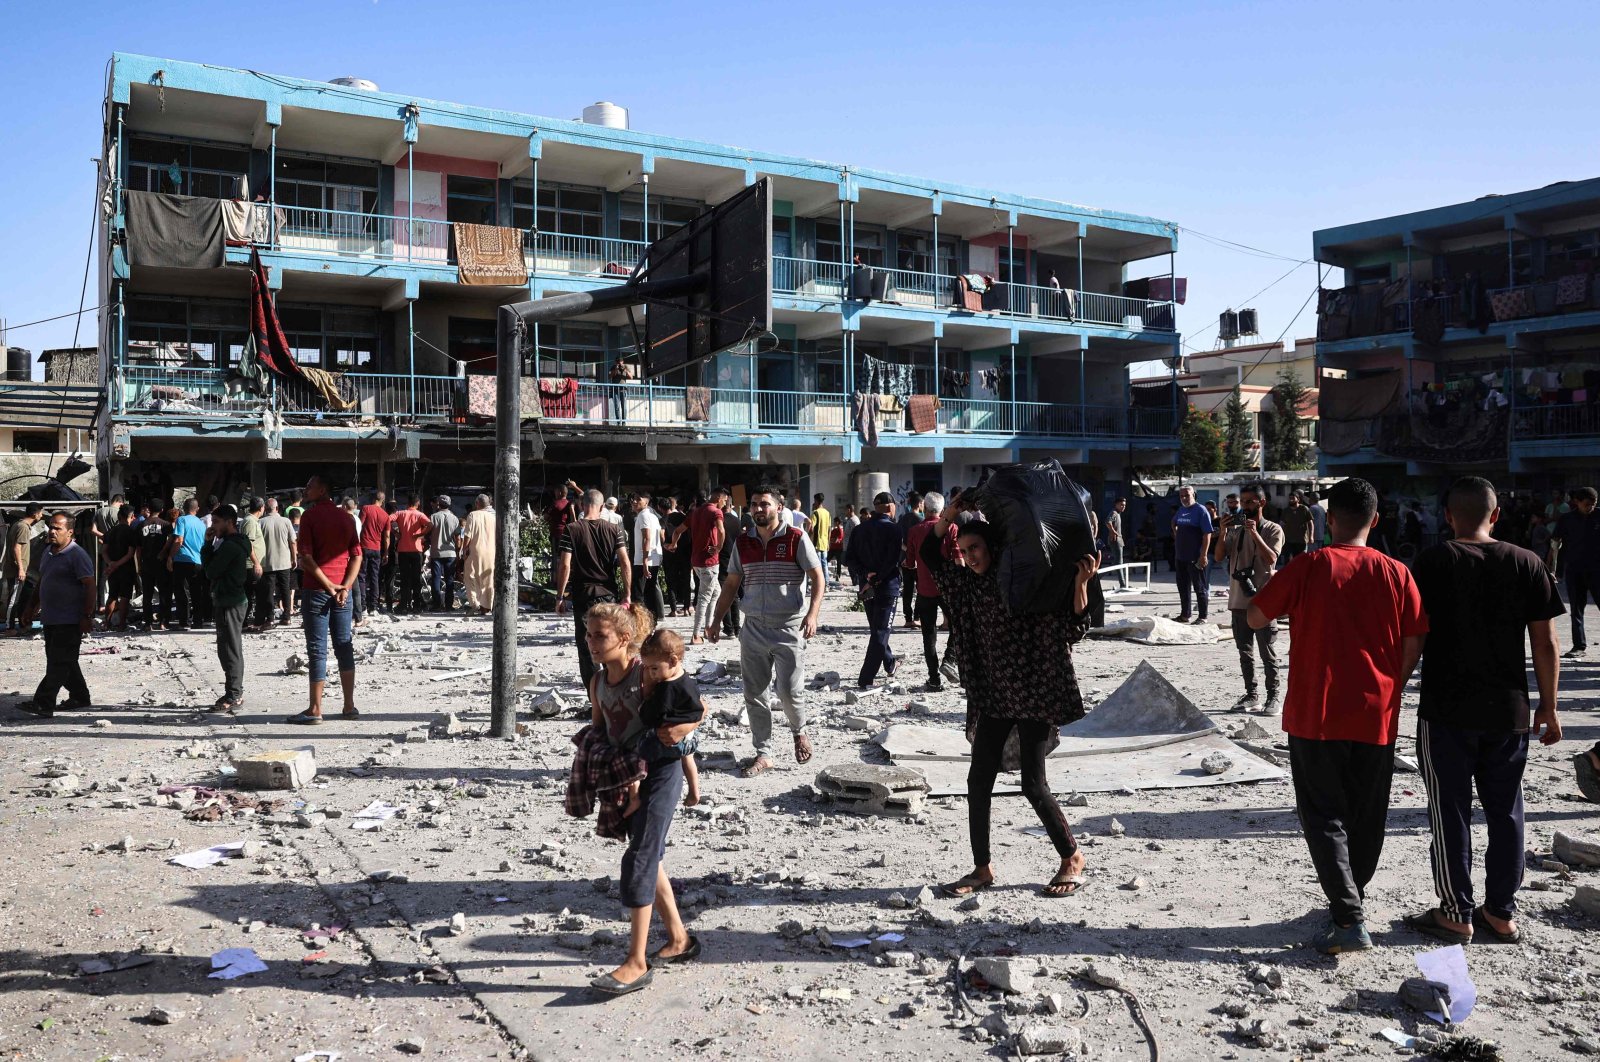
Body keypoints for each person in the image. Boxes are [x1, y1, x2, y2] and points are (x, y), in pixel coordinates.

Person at [1247, 477, 1428, 954]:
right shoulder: (1397, 572)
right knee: (1367, 814)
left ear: (1330, 519)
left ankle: (1348, 917)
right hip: (1377, 712)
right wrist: (1395, 681)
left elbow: (1255, 618)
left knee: (1323, 813)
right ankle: (1352, 897)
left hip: (1316, 712)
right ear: (1376, 519)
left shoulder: (1309, 566)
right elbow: (1415, 639)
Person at [1403, 476, 1564, 947]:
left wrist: (1392, 691)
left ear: (1449, 517)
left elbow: (1415, 637)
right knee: (1507, 812)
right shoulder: (1527, 562)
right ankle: (1501, 913)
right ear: (1495, 515)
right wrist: (1549, 708)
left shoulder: (1432, 562)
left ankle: (1456, 913)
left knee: (1449, 812)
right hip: (1509, 712)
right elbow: (1546, 642)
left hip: (1446, 710)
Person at [922, 497, 1099, 900]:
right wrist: (951, 510)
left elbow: (1073, 626)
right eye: (964, 552)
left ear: (992, 547)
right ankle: (982, 868)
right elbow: (929, 550)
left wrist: (1081, 583)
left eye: (975, 549)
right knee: (977, 781)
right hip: (994, 695)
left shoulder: (1021, 579)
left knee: (1032, 784)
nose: (968, 558)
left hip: (1035, 689)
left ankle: (1072, 857)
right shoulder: (965, 585)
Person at [577, 603, 701, 995]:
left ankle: (636, 961)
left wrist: (686, 729)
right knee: (649, 854)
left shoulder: (644, 673)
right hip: (625, 778)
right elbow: (602, 732)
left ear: (624, 639)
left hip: (660, 774)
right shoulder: (598, 683)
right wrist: (596, 772)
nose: (592, 643)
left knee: (640, 857)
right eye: (589, 635)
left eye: (601, 636)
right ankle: (679, 939)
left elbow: (691, 704)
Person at [707, 484, 824, 777]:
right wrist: (717, 619)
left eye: (765, 504)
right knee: (754, 693)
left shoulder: (796, 538)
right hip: (754, 629)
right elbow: (732, 584)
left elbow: (817, 576)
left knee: (788, 691)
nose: (759, 509)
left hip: (788, 628)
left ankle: (799, 730)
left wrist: (812, 614)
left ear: (779, 507)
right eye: (755, 504)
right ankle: (764, 753)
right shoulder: (743, 542)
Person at [285, 476, 362, 725]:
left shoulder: (309, 517)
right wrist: (345, 586)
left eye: (310, 486)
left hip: (317, 590)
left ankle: (315, 709)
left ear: (323, 489)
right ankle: (349, 705)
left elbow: (305, 557)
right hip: (342, 592)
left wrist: (328, 585)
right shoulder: (347, 518)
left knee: (318, 649)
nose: (306, 490)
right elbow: (356, 556)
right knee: (344, 645)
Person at [15, 513, 96, 717]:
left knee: (59, 661)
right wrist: (30, 607)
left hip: (70, 619)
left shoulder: (77, 555)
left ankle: (43, 702)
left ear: (70, 532)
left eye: (57, 528)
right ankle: (79, 696)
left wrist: (86, 616)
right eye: (51, 527)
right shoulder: (48, 553)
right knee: (63, 659)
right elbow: (43, 581)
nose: (52, 531)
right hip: (51, 618)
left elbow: (90, 586)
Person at [1215, 484, 1284, 715]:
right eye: (1242, 502)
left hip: (1263, 602)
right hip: (1238, 600)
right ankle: (1251, 695)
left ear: (1261, 503)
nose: (1244, 506)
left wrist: (1255, 533)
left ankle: (1273, 697)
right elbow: (1218, 556)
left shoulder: (1273, 529)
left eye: (1249, 502)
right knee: (1245, 652)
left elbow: (1272, 558)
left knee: (1267, 652)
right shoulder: (1236, 529)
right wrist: (1223, 533)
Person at [554, 490, 632, 687]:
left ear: (581, 505)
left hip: (583, 596)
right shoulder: (615, 530)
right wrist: (627, 595)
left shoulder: (572, 529)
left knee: (587, 647)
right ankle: (614, 693)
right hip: (608, 595)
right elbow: (624, 562)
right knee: (610, 642)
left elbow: (565, 565)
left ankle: (595, 700)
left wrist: (560, 596)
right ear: (602, 506)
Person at [628, 628, 704, 812]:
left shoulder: (665, 689)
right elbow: (698, 708)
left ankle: (634, 794)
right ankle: (694, 791)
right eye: (647, 668)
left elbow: (652, 716)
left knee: (637, 753)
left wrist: (643, 704)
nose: (651, 674)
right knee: (688, 760)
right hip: (690, 737)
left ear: (673, 661)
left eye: (654, 668)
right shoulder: (687, 680)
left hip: (669, 740)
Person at [847, 491, 906, 688]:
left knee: (877, 630)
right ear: (891, 507)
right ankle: (866, 677)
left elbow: (850, 559)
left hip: (866, 586)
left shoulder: (859, 529)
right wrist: (878, 577)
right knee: (881, 631)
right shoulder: (894, 530)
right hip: (886, 586)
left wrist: (866, 575)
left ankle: (890, 664)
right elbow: (892, 560)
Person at [202, 504, 253, 715]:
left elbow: (211, 571)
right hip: (228, 600)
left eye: (216, 522)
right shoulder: (231, 543)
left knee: (230, 650)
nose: (213, 526)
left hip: (230, 601)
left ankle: (234, 694)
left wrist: (206, 546)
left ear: (229, 522)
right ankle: (232, 692)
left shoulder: (230, 546)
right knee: (227, 649)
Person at [905, 492, 957, 690]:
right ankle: (949, 660)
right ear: (942, 510)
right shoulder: (952, 528)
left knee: (929, 635)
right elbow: (958, 558)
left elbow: (910, 562)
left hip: (925, 589)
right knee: (957, 626)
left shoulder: (915, 531)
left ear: (925, 508)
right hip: (947, 589)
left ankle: (934, 678)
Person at [1550, 487, 1598, 660]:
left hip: (1597, 571)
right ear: (1577, 502)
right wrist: (1553, 569)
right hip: (1574, 571)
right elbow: (1555, 544)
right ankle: (1579, 646)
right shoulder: (1566, 519)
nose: (1590, 507)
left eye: (1594, 504)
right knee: (1576, 610)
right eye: (1587, 504)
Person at [687, 489, 726, 646]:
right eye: (724, 500)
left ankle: (707, 627)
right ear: (718, 498)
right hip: (709, 561)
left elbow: (679, 530)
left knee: (716, 592)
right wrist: (718, 548)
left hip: (696, 560)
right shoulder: (716, 512)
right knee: (704, 597)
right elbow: (721, 531)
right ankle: (696, 634)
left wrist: (674, 542)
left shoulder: (696, 511)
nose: (725, 504)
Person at [1171, 485, 1213, 624]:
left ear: (1193, 495)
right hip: (1180, 556)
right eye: (1181, 496)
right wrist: (1177, 534)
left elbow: (1207, 534)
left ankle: (1203, 617)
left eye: (1187, 495)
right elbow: (1174, 522)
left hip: (1195, 556)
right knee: (1183, 587)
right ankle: (1185, 615)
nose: (1184, 498)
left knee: (1199, 587)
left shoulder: (1201, 511)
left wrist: (1204, 555)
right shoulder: (1181, 509)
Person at [254, 498, 296, 630]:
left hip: (268, 562)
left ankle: (270, 618)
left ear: (265, 509)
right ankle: (287, 617)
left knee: (269, 591)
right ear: (277, 509)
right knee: (285, 590)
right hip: (284, 561)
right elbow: (292, 541)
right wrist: (294, 558)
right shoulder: (286, 521)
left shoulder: (260, 522)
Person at [169, 498, 210, 629]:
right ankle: (198, 621)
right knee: (197, 592)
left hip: (182, 560)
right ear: (197, 509)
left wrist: (170, 557)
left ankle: (184, 622)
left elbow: (178, 540)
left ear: (183, 508)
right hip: (198, 561)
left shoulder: (181, 520)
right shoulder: (201, 524)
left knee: (182, 593)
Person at [3, 503, 43, 633]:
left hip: (17, 569)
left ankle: (21, 624)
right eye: (41, 513)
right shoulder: (23, 527)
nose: (41, 516)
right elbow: (17, 548)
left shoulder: (19, 525)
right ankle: (9, 627)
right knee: (13, 599)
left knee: (20, 597)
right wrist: (20, 569)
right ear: (35, 514)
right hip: (16, 570)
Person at [390, 495, 430, 614]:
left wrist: (395, 533)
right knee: (416, 579)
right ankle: (416, 605)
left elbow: (387, 520)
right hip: (416, 550)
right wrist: (419, 535)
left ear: (408, 503)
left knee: (404, 579)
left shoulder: (400, 513)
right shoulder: (420, 515)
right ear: (417, 504)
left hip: (403, 550)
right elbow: (430, 525)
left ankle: (403, 605)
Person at [136, 501, 172, 631]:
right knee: (164, 592)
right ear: (161, 509)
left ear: (149, 509)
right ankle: (163, 621)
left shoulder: (141, 525)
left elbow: (138, 549)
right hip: (161, 563)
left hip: (147, 563)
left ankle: (147, 623)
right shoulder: (166, 525)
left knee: (147, 594)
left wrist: (138, 565)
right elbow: (171, 542)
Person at [459, 494, 497, 613]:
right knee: (488, 578)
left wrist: (464, 550)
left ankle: (475, 603)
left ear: (477, 504)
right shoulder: (493, 517)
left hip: (475, 551)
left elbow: (468, 535)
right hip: (491, 551)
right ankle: (487, 606)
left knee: (470, 577)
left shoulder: (472, 515)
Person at [630, 492, 664, 622]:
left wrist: (644, 561)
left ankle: (640, 623)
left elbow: (647, 537)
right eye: (634, 499)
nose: (634, 501)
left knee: (638, 594)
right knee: (650, 593)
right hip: (653, 558)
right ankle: (651, 622)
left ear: (646, 502)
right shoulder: (653, 516)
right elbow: (661, 536)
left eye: (638, 499)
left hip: (643, 560)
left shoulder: (644, 515)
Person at [358, 491, 392, 617]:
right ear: (382, 501)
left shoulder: (366, 508)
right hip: (377, 548)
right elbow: (387, 536)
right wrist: (386, 553)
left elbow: (359, 526)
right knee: (374, 578)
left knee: (361, 576)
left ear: (373, 499)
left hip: (364, 546)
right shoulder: (385, 515)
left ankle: (362, 607)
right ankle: (373, 606)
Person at [428, 495, 461, 612]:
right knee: (449, 580)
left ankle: (436, 604)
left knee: (436, 578)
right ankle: (448, 605)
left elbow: (427, 531)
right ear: (449, 504)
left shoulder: (433, 517)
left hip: (436, 552)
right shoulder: (455, 518)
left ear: (438, 504)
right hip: (450, 553)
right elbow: (458, 538)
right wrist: (458, 551)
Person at [662, 495, 692, 618]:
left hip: (670, 553)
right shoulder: (684, 517)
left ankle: (674, 610)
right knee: (686, 581)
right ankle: (686, 608)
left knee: (671, 582)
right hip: (685, 553)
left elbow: (661, 533)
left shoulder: (664, 518)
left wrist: (665, 544)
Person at [238, 498, 267, 627]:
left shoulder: (252, 521)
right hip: (251, 565)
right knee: (257, 594)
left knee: (252, 594)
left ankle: (248, 622)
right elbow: (248, 543)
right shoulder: (250, 521)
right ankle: (254, 622)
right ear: (261, 508)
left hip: (252, 564)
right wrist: (256, 562)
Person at [718, 493, 743, 637]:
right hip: (735, 559)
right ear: (731, 505)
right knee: (734, 594)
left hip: (721, 559)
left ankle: (728, 628)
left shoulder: (719, 521)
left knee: (723, 594)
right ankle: (737, 626)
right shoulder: (737, 521)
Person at [897, 491, 923, 628]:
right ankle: (917, 617)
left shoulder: (902, 518)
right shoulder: (920, 520)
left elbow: (898, 540)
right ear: (919, 504)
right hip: (917, 561)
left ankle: (908, 618)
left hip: (904, 560)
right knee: (920, 589)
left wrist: (906, 552)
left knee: (907, 590)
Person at [1280, 491, 1314, 565]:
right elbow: (1281, 524)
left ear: (1298, 499)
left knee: (1301, 561)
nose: (1291, 500)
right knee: (1288, 561)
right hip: (1288, 540)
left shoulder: (1304, 509)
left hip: (1301, 540)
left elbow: (1310, 523)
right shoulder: (1286, 511)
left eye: (1293, 498)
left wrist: (1311, 536)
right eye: (1290, 498)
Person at [1104, 498, 1128, 590]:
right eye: (1121, 504)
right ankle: (1123, 584)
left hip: (1118, 540)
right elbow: (1107, 522)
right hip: (1116, 540)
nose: (1123, 507)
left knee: (1118, 562)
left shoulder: (1117, 513)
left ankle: (1123, 583)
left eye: (1124, 505)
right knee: (1119, 563)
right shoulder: (1114, 513)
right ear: (1116, 504)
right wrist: (1113, 532)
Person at [839, 504, 861, 586]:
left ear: (849, 510)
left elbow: (857, 534)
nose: (844, 512)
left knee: (852, 566)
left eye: (845, 510)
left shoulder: (854, 520)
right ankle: (855, 582)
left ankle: (856, 582)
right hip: (848, 547)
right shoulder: (849, 520)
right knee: (849, 565)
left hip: (852, 548)